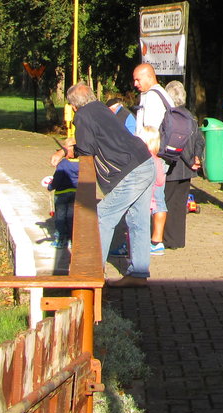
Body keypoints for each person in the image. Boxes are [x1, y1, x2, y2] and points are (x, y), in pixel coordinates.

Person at [59, 82, 156, 286]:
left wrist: (70, 150)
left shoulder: (82, 115)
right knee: (138, 221)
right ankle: (138, 274)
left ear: (73, 106)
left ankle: (93, 273)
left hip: (130, 171)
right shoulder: (101, 108)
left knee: (102, 216)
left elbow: (86, 149)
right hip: (145, 162)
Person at [132, 63, 173, 254]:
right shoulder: (161, 94)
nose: (135, 84)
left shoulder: (153, 97)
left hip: (151, 155)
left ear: (149, 76)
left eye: (138, 79)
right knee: (154, 197)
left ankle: (154, 242)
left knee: (152, 198)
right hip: (157, 156)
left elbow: (149, 131)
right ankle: (150, 240)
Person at [162, 79, 203, 248]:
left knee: (166, 202)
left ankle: (166, 238)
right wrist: (196, 157)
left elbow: (177, 143)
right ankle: (177, 240)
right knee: (180, 204)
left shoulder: (171, 116)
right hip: (187, 169)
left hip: (174, 165)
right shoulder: (191, 117)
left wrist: (189, 160)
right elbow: (200, 140)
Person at [46, 139, 79, 249]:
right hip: (75, 193)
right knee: (71, 217)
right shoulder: (81, 164)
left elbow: (57, 180)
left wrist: (50, 187)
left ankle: (60, 240)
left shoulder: (63, 164)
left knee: (60, 217)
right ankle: (72, 239)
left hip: (61, 194)